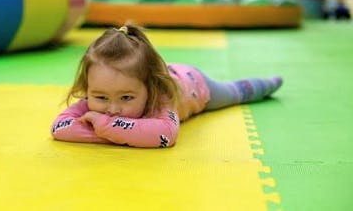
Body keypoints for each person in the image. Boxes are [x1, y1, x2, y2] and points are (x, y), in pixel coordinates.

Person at [51, 24, 283, 148]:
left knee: (233, 93)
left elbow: (165, 135)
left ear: (149, 88)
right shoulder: (99, 94)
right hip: (159, 72)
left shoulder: (160, 97)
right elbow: (59, 128)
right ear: (89, 87)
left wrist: (104, 127)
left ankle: (264, 85)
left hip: (196, 84)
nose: (112, 109)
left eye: (126, 98)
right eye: (101, 98)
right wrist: (126, 133)